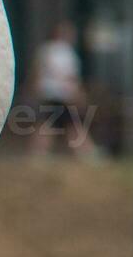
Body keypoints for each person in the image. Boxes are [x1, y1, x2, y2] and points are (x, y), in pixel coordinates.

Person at [29, 20, 91, 156]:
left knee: (54, 124)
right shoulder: (65, 52)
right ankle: (85, 151)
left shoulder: (45, 50)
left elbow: (37, 72)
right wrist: (78, 93)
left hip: (48, 93)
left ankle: (39, 152)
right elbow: (69, 76)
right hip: (62, 94)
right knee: (69, 124)